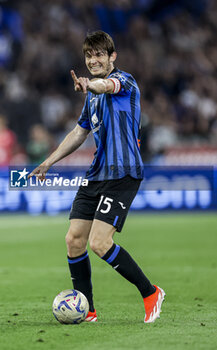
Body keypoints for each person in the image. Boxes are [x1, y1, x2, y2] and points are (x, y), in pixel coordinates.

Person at [29, 31, 165, 323]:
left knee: (100, 243)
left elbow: (108, 85)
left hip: (123, 173)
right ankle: (87, 310)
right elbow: (79, 132)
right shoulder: (90, 99)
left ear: (112, 57)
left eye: (99, 55)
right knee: (74, 240)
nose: (93, 60)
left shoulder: (125, 82)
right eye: (89, 56)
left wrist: (92, 84)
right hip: (96, 174)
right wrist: (48, 162)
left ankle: (151, 292)